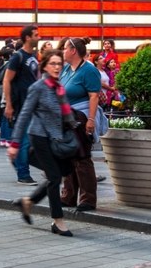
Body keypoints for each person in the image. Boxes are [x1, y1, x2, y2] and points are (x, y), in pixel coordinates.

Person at [8, 50, 76, 237]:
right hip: (39, 137)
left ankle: (28, 202)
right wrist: (14, 144)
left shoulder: (58, 87)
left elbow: (63, 113)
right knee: (54, 177)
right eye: (52, 63)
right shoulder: (38, 87)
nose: (56, 67)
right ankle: (58, 221)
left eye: (59, 63)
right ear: (44, 66)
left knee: (64, 171)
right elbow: (24, 115)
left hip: (56, 137)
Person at [60, 37, 102, 213]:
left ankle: (87, 199)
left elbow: (94, 95)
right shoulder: (66, 70)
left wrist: (91, 120)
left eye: (65, 48)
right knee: (68, 157)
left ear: (73, 51)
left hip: (81, 116)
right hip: (67, 117)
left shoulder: (89, 70)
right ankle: (68, 196)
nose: (62, 51)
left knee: (82, 157)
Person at [3, 25, 41, 185]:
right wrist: (9, 104)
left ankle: (16, 158)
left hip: (33, 104)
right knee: (25, 139)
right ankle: (23, 174)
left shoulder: (34, 56)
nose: (39, 38)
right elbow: (7, 79)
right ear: (27, 37)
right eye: (36, 35)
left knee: (32, 139)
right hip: (21, 105)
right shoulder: (18, 57)